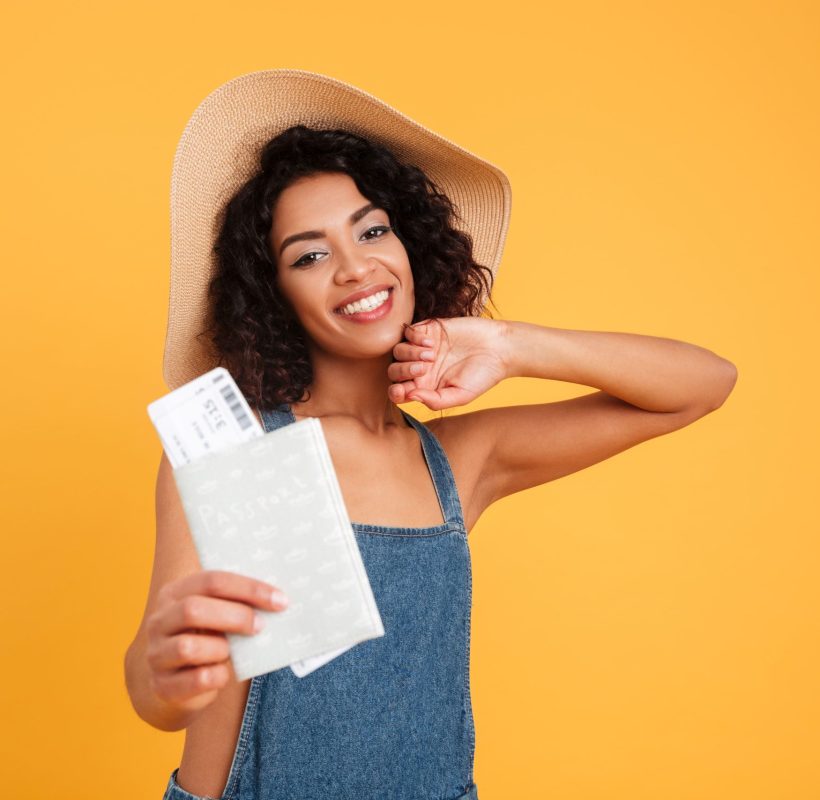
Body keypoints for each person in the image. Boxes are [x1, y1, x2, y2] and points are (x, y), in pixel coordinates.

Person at [124, 71, 737, 800]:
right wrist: (165, 670)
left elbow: (703, 385)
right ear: (273, 294)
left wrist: (512, 347)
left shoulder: (458, 462)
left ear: (410, 243)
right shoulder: (236, 446)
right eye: (309, 255)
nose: (356, 267)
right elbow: (156, 696)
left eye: (373, 229)